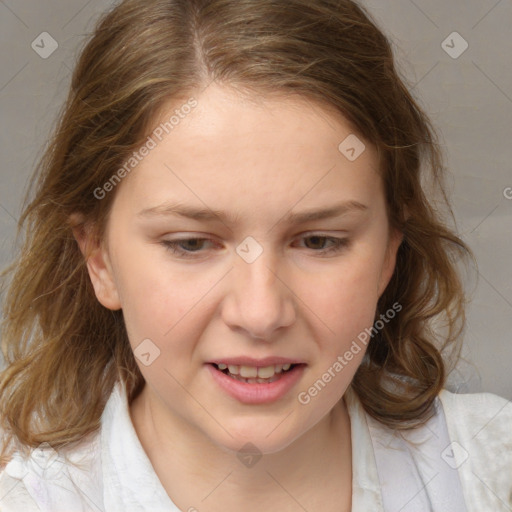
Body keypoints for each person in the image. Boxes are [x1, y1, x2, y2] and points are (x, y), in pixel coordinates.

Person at [0, 0, 511, 511]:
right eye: (191, 244)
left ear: (388, 251)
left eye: (318, 241)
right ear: (100, 260)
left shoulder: (491, 470)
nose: (261, 313)